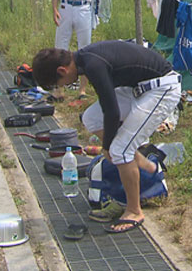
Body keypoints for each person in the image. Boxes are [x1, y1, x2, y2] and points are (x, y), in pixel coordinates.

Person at [32, 40, 182, 233]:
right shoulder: (86, 60)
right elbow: (106, 108)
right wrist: (110, 146)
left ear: (62, 71)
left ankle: (134, 211)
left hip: (162, 88)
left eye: (57, 84)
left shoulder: (93, 64)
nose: (61, 87)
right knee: (91, 118)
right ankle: (144, 164)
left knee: (119, 150)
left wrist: (107, 147)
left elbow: (111, 112)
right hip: (137, 89)